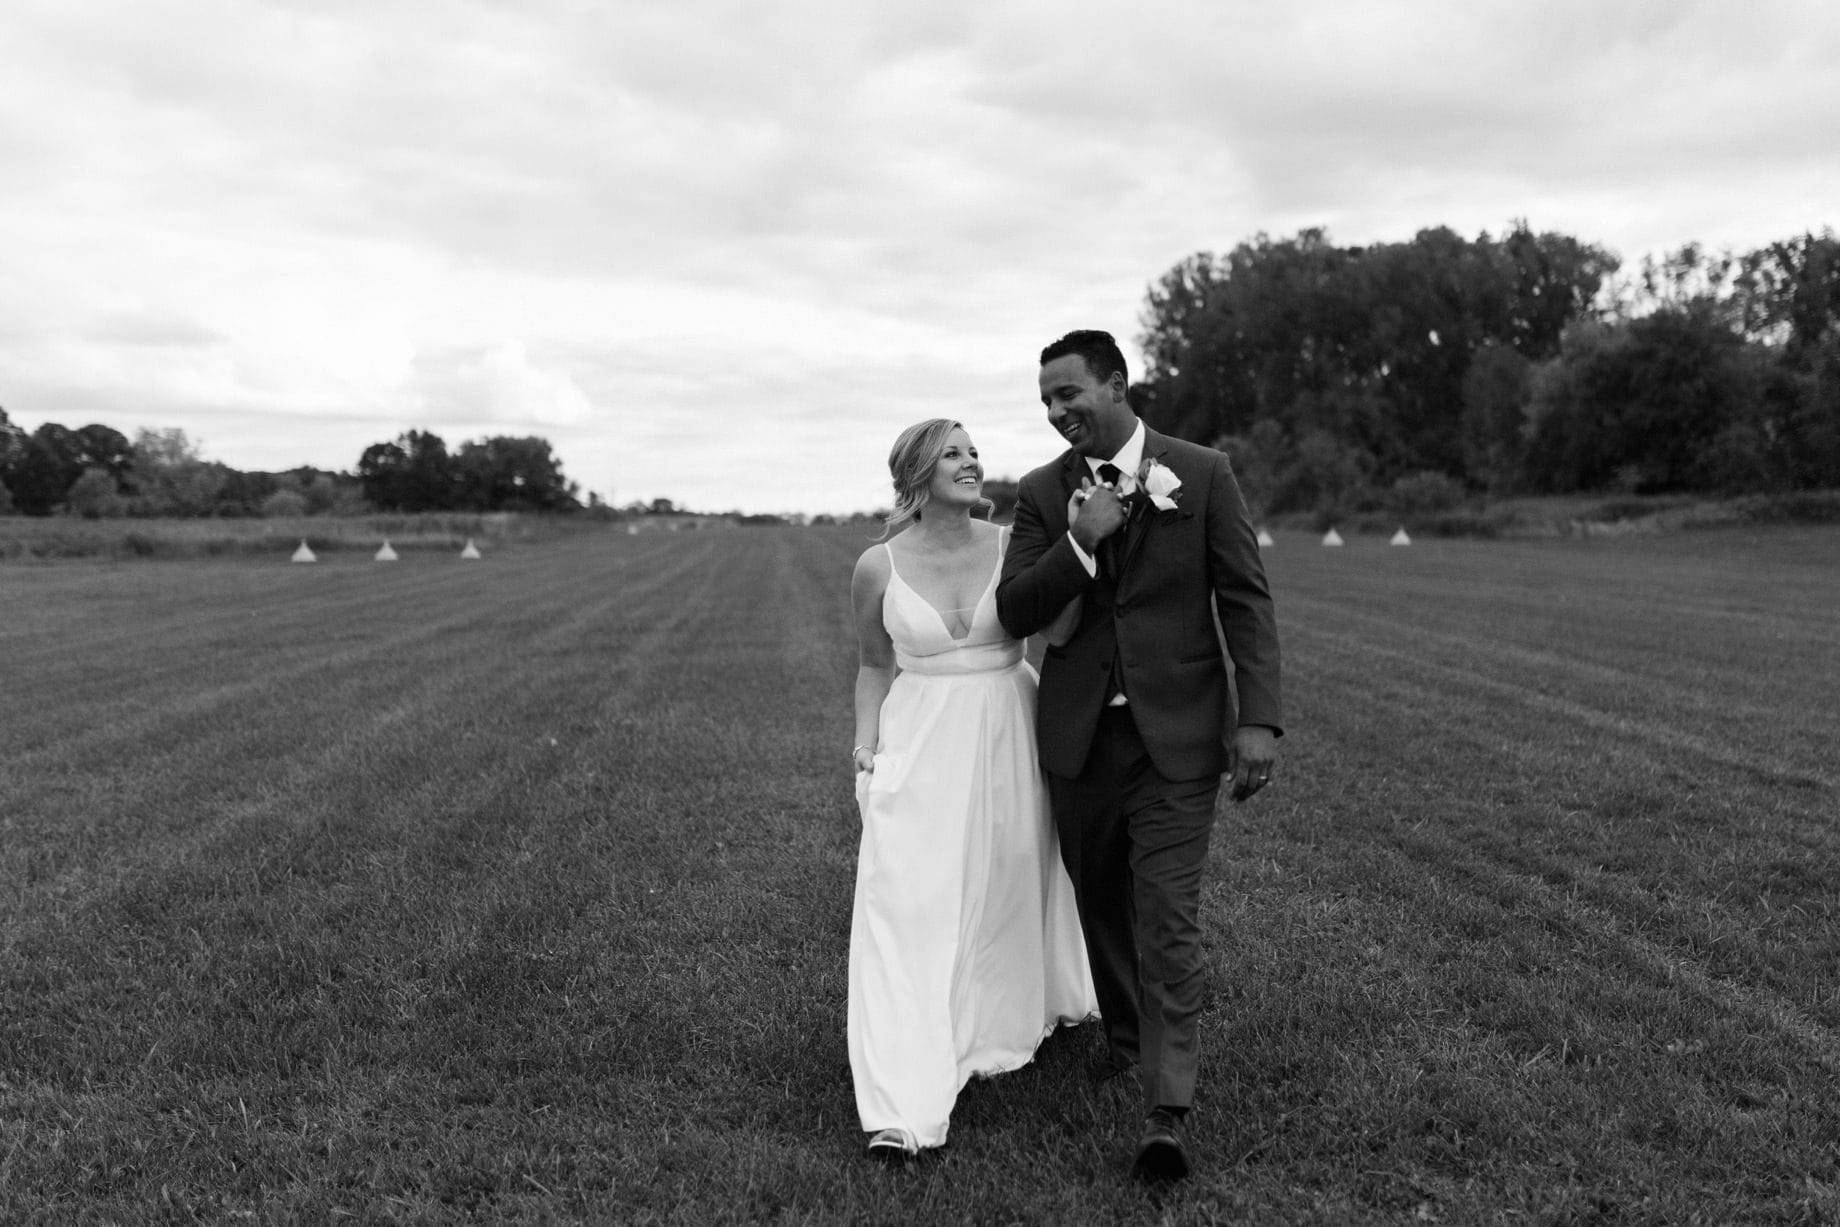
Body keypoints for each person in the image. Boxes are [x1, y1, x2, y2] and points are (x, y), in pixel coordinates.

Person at [995, 329, 1283, 1183]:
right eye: (1045, 401)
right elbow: (1015, 610)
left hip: (1179, 738)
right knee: (1103, 907)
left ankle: (1167, 1109)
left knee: (1166, 916)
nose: (1056, 413)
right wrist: (1079, 542)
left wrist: (1258, 719)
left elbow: (1245, 597)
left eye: (1068, 394)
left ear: (1116, 384)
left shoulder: (1201, 471)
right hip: (1079, 742)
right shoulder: (1044, 492)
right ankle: (1125, 1037)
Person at [847, 418, 1098, 1161]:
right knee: (907, 900)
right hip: (918, 741)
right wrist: (865, 747)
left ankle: (1001, 1013)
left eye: (973, 451)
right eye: (953, 452)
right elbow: (873, 663)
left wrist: (1080, 547)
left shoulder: (1014, 542)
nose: (972, 461)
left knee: (1006, 881)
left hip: (1008, 729)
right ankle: (902, 1100)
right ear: (918, 474)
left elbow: (1058, 626)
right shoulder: (876, 566)